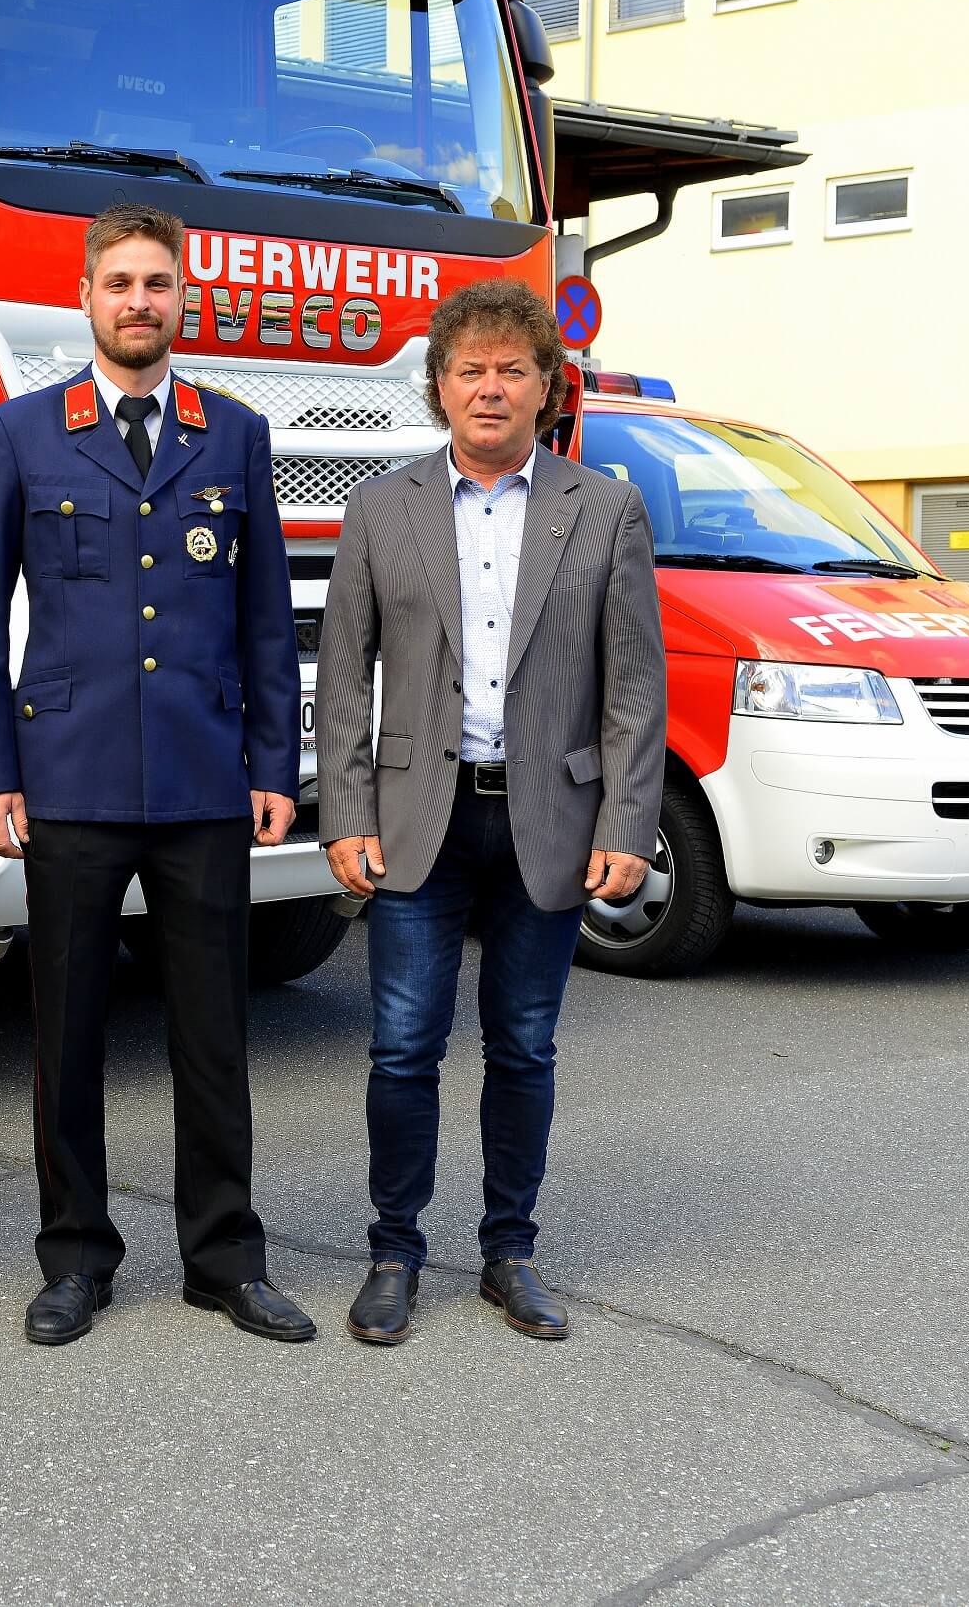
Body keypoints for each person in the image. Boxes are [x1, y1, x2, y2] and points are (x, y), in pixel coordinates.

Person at [0, 204, 312, 1346]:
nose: (139, 302)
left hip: (204, 780)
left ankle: (223, 1258)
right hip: (65, 777)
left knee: (213, 1031)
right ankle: (74, 1259)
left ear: (179, 298)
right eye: (120, 283)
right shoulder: (19, 433)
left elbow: (263, 617)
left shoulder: (235, 433)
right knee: (67, 1034)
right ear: (86, 296)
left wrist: (273, 762)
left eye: (158, 283)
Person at [313, 278, 664, 1347]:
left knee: (522, 1047)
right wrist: (344, 812)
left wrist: (623, 825)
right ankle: (392, 1249)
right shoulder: (382, 509)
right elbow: (341, 676)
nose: (489, 387)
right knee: (401, 1049)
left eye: (511, 369)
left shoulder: (601, 509)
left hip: (548, 826)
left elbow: (632, 687)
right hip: (419, 818)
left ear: (545, 390)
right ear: (438, 387)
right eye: (468, 369)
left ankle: (508, 1251)